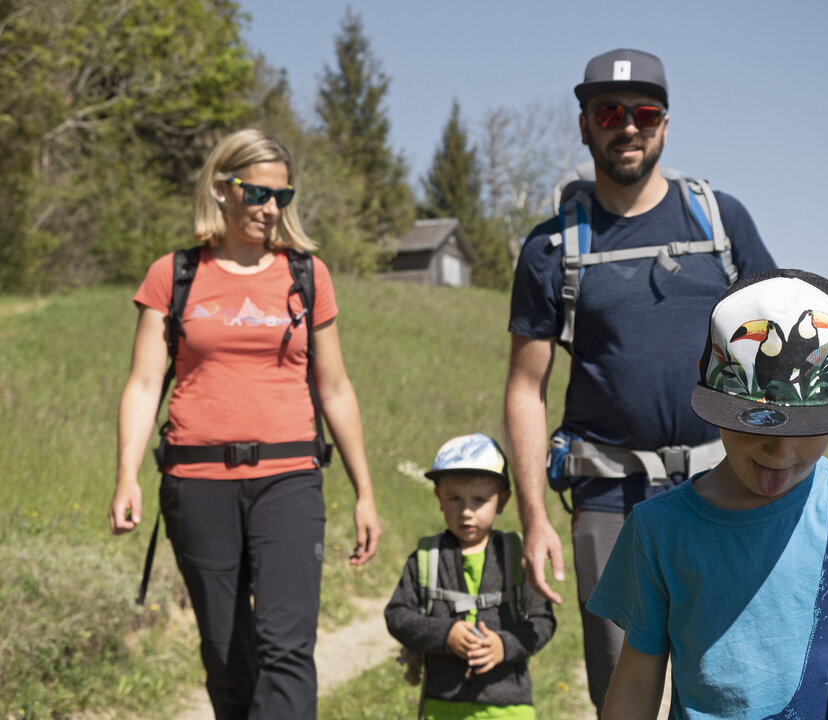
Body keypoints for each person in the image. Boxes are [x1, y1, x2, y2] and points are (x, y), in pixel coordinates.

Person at [503, 48, 776, 715]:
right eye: (608, 112)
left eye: (643, 112)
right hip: (606, 492)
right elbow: (524, 390)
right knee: (622, 689)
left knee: (732, 682)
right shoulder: (550, 249)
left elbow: (778, 346)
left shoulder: (720, 221)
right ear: (585, 125)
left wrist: (783, 472)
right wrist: (534, 517)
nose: (627, 126)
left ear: (665, 124)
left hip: (725, 481)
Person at [588, 268, 828, 719]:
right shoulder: (658, 530)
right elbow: (636, 681)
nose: (780, 451)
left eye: (809, 429)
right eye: (754, 424)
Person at [108, 128, 381, 720]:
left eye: (281, 196)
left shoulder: (307, 276)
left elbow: (335, 388)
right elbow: (144, 384)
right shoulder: (173, 274)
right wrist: (127, 474)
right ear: (220, 188)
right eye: (257, 193)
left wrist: (365, 492)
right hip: (197, 482)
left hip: (289, 479)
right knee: (226, 655)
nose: (270, 208)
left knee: (286, 650)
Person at [384, 433, 556, 720]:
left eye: (479, 500)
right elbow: (397, 616)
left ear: (502, 501)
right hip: (442, 706)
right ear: (438, 497)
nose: (466, 511)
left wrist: (504, 645)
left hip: (510, 709)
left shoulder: (517, 556)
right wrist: (445, 634)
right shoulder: (426, 558)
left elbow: (543, 622)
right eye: (454, 498)